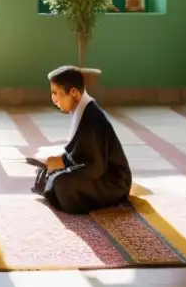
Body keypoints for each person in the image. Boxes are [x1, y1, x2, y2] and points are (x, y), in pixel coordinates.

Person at [31, 66, 132, 214]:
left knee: (62, 183)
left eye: (56, 93)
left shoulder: (92, 116)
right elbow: (79, 151)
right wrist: (59, 162)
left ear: (73, 93)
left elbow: (95, 168)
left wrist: (63, 165)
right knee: (46, 172)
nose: (54, 99)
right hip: (97, 174)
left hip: (113, 183)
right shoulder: (83, 110)